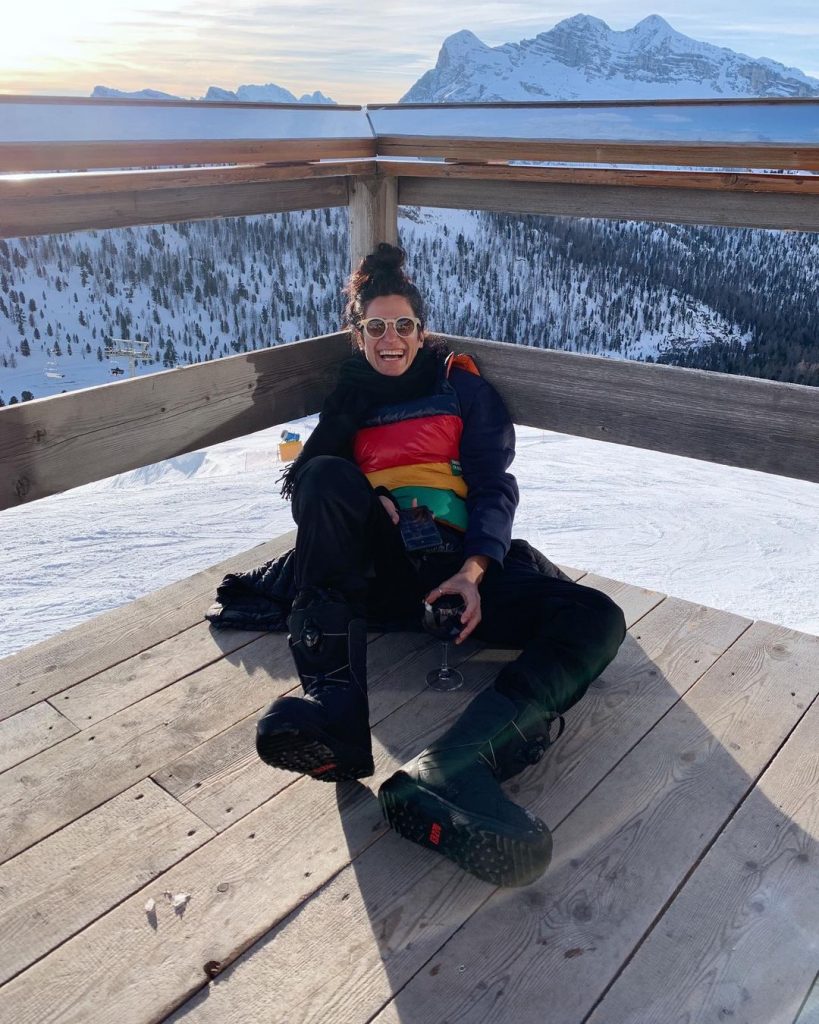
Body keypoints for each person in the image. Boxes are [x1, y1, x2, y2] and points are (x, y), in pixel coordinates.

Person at [256, 243, 626, 887]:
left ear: (422, 331)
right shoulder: (348, 401)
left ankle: (458, 764)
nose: (391, 338)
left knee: (595, 616)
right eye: (376, 327)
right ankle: (336, 718)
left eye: (403, 325)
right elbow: (318, 502)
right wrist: (365, 491)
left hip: (456, 572)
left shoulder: (461, 387)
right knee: (320, 476)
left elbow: (493, 485)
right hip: (381, 574)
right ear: (358, 334)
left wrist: (477, 570)